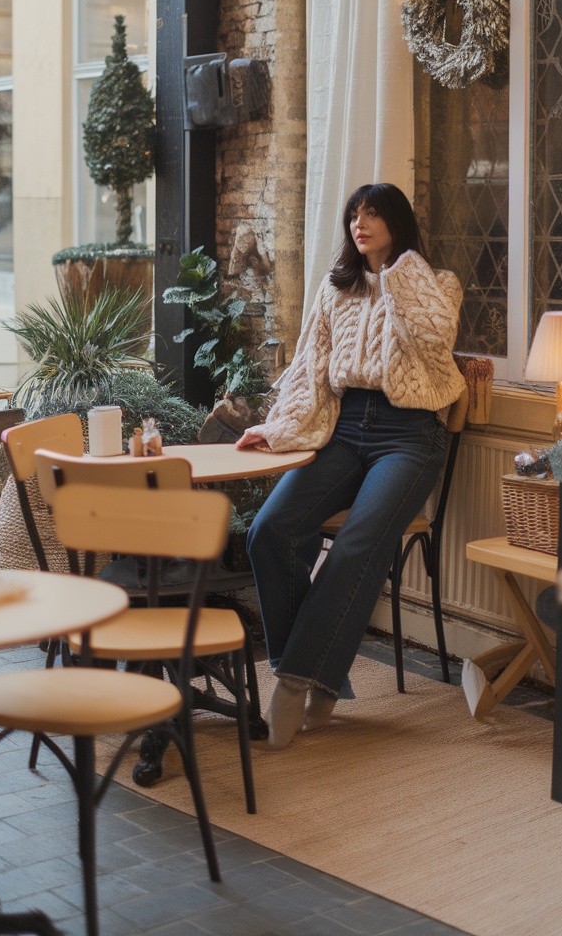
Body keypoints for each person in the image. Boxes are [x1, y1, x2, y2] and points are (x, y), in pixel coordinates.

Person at [238, 182, 465, 748]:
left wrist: (399, 271)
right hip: (344, 429)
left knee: (359, 544)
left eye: (372, 213)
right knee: (271, 530)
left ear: (397, 222)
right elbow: (309, 367)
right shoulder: (337, 287)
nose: (359, 223)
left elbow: (437, 336)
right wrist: (277, 426)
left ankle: (291, 684)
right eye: (353, 215)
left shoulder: (434, 283)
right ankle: (324, 671)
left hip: (411, 436)